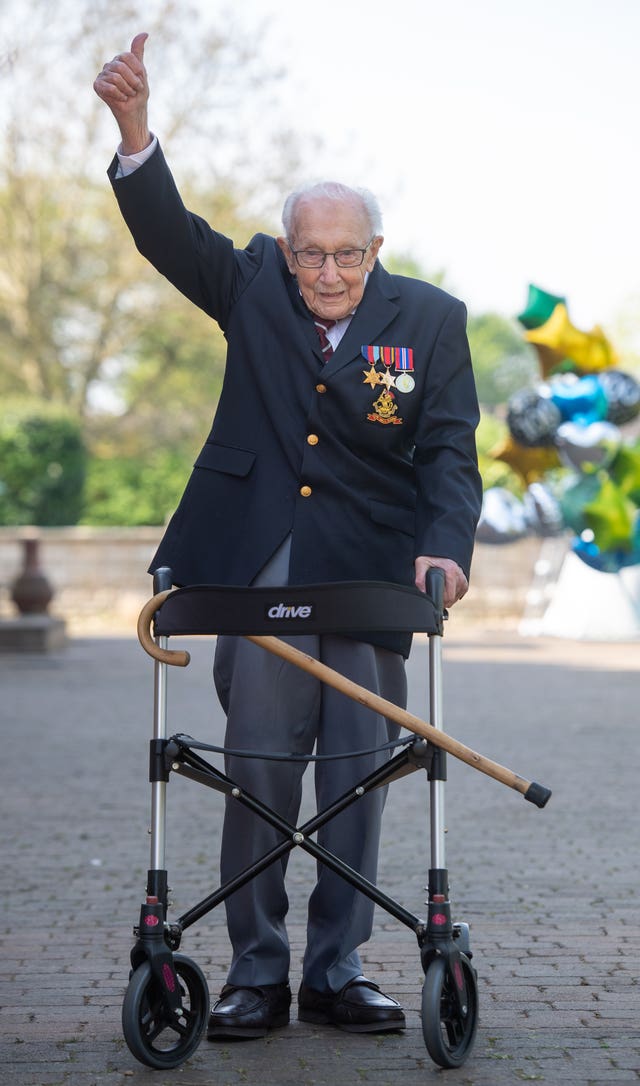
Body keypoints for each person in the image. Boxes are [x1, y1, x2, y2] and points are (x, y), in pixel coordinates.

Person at [94, 33, 483, 1042]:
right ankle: (255, 972)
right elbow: (169, 237)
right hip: (257, 562)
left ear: (376, 251)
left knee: (358, 768)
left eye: (347, 253)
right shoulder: (253, 282)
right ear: (286, 247)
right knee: (261, 767)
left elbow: (448, 449)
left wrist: (446, 546)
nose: (327, 270)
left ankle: (338, 967)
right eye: (310, 251)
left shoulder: (431, 320)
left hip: (370, 565)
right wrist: (136, 132)